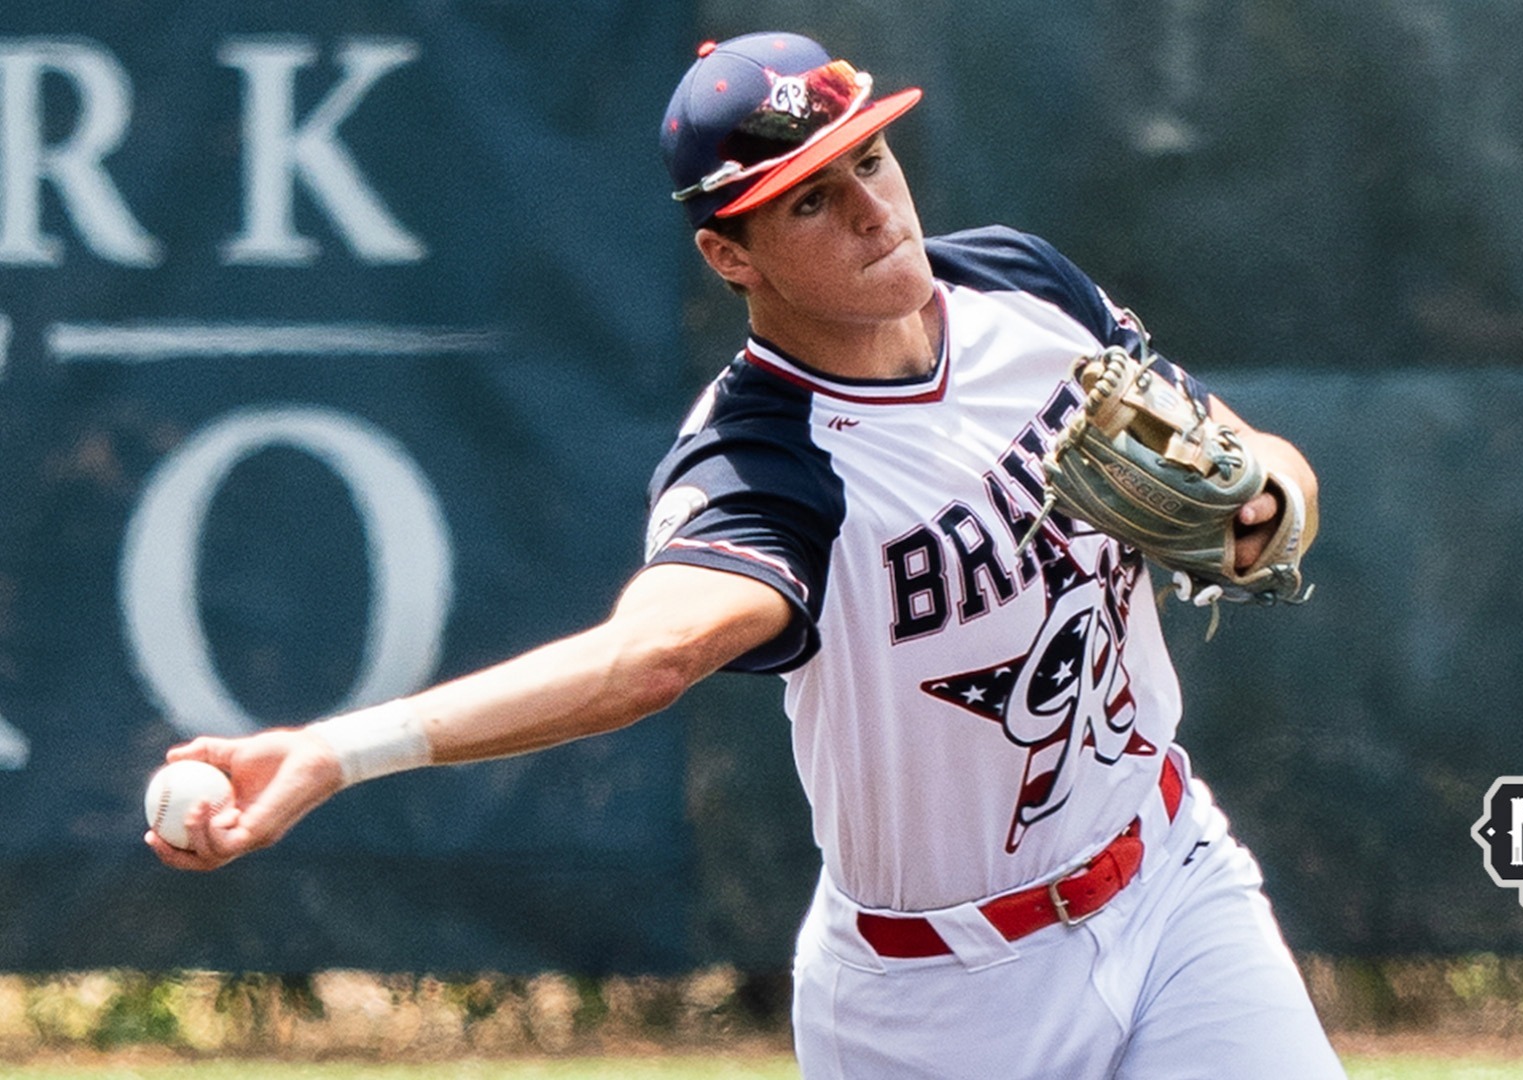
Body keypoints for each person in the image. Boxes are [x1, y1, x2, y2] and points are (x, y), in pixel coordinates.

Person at [148, 31, 1346, 1079]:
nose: (877, 211)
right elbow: (647, 658)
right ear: (733, 257)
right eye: (811, 200)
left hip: (1172, 881)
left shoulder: (1019, 286)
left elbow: (1249, 455)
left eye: (870, 160)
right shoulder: (765, 463)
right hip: (943, 1007)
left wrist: (1266, 503)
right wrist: (337, 750)